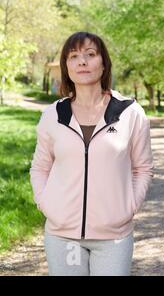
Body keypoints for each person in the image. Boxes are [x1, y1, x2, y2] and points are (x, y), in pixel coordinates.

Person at [30, 32, 153, 276]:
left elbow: (143, 168)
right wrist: (46, 205)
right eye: (73, 56)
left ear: (104, 63)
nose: (82, 62)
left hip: (113, 237)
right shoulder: (53, 115)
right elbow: (40, 167)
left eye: (90, 54)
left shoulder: (130, 112)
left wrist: (129, 207)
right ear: (67, 66)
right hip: (62, 235)